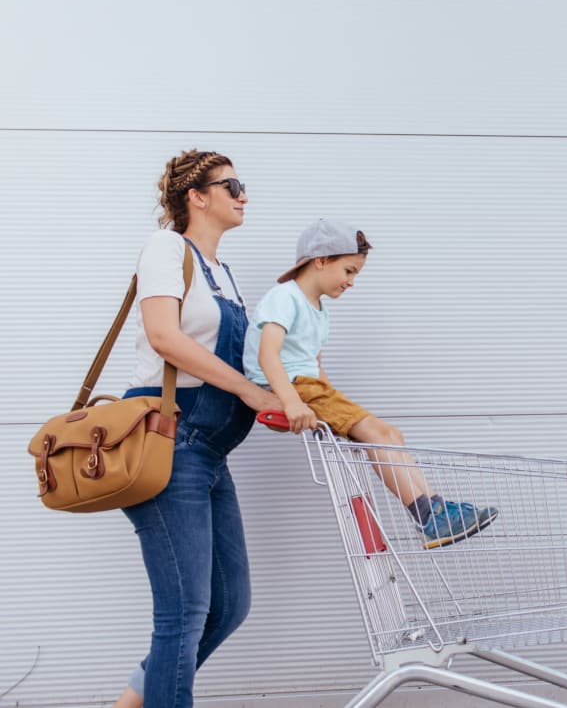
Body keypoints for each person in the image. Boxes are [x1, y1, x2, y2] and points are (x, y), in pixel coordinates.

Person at [113, 149, 281, 708]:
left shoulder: (223, 277)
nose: (244, 196)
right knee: (183, 613)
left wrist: (284, 397)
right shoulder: (166, 248)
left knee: (228, 605)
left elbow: (249, 359)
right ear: (197, 196)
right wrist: (245, 389)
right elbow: (164, 336)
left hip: (209, 452)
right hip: (172, 443)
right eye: (232, 186)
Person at [243, 218, 498, 549]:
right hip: (291, 386)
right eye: (349, 271)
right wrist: (291, 402)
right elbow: (268, 355)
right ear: (320, 260)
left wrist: (338, 412)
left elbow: (316, 366)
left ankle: (434, 506)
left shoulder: (318, 309)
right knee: (379, 435)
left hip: (311, 387)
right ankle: (429, 517)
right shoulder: (284, 297)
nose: (351, 282)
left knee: (390, 435)